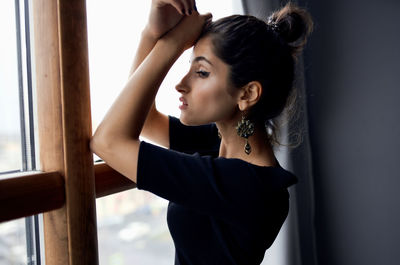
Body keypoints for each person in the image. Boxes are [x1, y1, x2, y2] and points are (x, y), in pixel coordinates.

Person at [90, 0, 313, 264]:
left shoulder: (247, 185)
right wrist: (151, 33)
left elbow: (108, 142)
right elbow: (147, 120)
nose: (180, 84)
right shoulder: (218, 139)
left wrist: (172, 42)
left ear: (248, 93)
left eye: (202, 72)